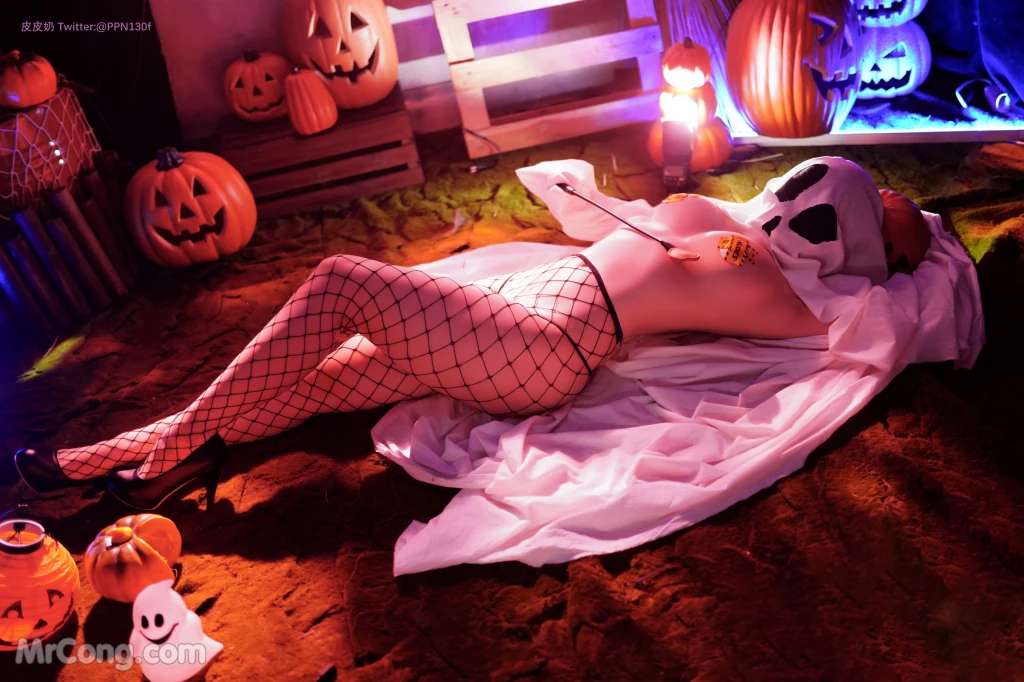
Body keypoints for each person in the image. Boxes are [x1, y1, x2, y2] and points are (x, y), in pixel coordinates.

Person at [13, 156, 931, 510]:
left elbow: (834, 337)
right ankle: (125, 462)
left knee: (340, 281)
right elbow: (615, 227)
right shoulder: (720, 215)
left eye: (853, 216)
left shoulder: (782, 294)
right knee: (319, 378)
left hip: (550, 343)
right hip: (519, 306)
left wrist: (887, 261)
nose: (808, 200)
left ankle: (151, 450)